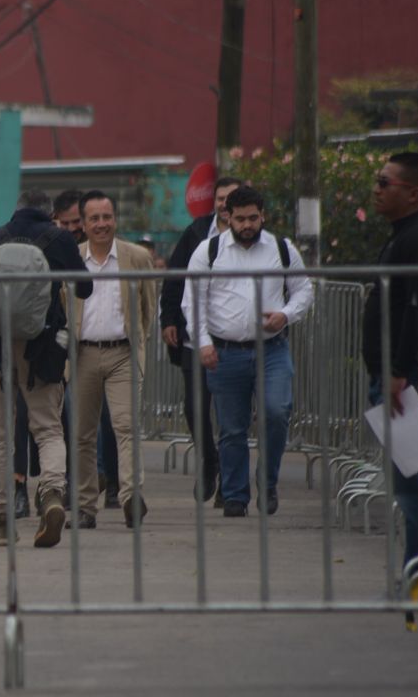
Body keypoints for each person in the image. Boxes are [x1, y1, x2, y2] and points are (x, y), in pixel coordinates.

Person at [183, 186, 312, 518]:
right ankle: (235, 494)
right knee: (232, 428)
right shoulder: (208, 251)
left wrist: (287, 314)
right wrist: (204, 343)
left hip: (272, 350)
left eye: (253, 218)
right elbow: (192, 301)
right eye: (240, 218)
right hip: (226, 352)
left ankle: (267, 482)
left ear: (262, 215)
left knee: (276, 410)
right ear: (228, 216)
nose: (247, 225)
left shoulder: (282, 249)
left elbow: (303, 290)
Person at [0, 190, 92, 548]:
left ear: (16, 208)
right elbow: (85, 287)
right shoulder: (58, 237)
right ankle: (52, 495)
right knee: (47, 429)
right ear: (51, 213)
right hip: (42, 343)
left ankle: (0, 519)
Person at [361, 152, 418, 573]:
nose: (376, 190)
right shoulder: (403, 234)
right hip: (396, 374)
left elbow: (417, 308)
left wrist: (397, 370)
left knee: (416, 484)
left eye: (384, 183)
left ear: (413, 193)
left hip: (403, 378)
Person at [69, 191, 158, 529]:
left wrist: (138, 343)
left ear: (115, 219)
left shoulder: (135, 257)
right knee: (82, 434)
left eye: (107, 217)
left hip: (123, 353)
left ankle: (131, 497)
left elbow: (148, 308)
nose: (102, 224)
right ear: (84, 223)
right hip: (82, 355)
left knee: (126, 425)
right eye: (94, 218)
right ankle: (84, 506)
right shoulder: (73, 259)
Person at [159, 175, 241, 504]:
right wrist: (168, 319)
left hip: (233, 341)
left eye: (230, 198)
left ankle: (230, 487)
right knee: (195, 407)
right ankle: (210, 462)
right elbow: (174, 277)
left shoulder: (254, 237)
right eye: (219, 198)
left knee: (231, 416)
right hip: (195, 336)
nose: (223, 204)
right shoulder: (196, 232)